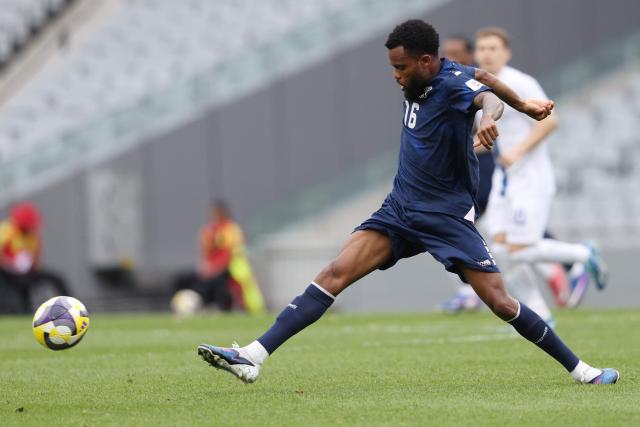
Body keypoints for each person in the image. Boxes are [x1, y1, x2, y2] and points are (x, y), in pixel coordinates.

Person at [197, 20, 618, 385]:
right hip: (400, 209)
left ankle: (582, 370)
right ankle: (252, 356)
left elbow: (482, 94)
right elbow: (487, 77)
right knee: (334, 272)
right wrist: (523, 103)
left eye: (400, 67)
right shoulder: (436, 74)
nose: (395, 76)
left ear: (424, 61)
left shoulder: (452, 86)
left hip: (445, 217)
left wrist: (494, 115)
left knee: (501, 302)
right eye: (392, 67)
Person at [474, 27, 606, 324]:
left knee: (519, 250)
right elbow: (488, 135)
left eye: (493, 48)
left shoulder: (520, 82)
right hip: (504, 180)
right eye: (482, 48)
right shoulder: (479, 86)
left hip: (530, 178)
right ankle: (541, 316)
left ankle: (582, 254)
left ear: (505, 53)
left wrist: (518, 151)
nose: (486, 54)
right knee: (500, 250)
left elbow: (549, 122)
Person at [439, 35, 494, 313]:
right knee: (502, 234)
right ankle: (566, 263)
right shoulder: (445, 83)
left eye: (457, 53)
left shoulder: (474, 85)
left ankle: (469, 291)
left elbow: (493, 110)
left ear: (470, 55)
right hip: (463, 166)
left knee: (460, 222)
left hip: (482, 166)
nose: (451, 58)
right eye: (447, 53)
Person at [178, 200, 266, 314]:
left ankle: (228, 309)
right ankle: (200, 307)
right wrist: (204, 267)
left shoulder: (231, 229)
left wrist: (214, 269)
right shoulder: (208, 230)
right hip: (213, 268)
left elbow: (229, 254)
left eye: (215, 212)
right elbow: (205, 252)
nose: (212, 215)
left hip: (231, 268)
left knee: (221, 284)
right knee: (187, 280)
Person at [0, 202, 69, 313]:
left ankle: (70, 306)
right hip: (7, 272)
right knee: (21, 284)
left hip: (27, 272)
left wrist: (32, 266)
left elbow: (37, 258)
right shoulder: (6, 231)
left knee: (56, 278)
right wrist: (12, 267)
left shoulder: (33, 235)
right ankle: (23, 311)